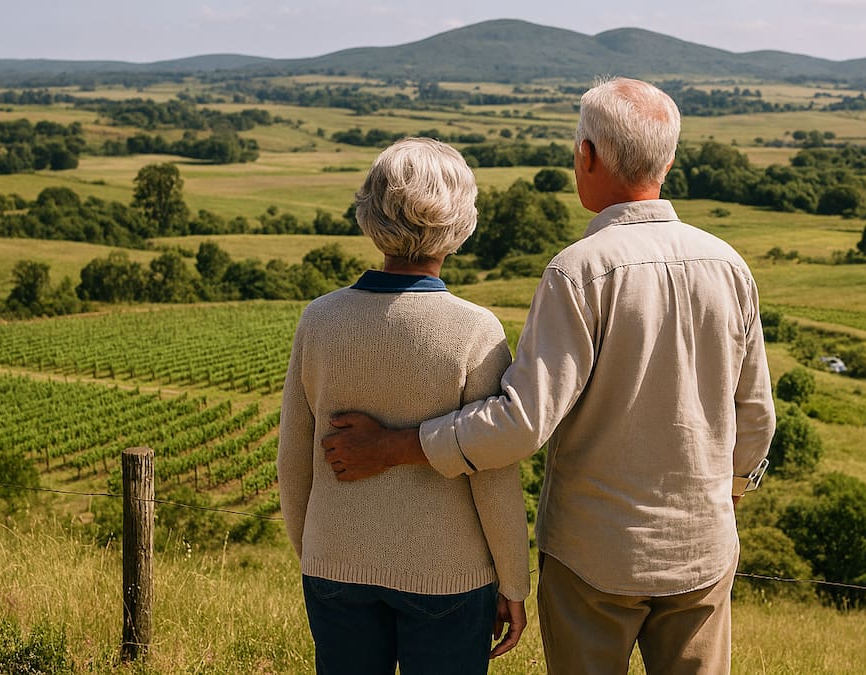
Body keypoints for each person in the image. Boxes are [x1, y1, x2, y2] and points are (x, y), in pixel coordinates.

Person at [322, 78, 776, 674]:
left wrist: (392, 446)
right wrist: (728, 495)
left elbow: (520, 425)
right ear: (668, 161)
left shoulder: (579, 272)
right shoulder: (729, 266)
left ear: (586, 155)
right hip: (702, 552)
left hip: (593, 553)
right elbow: (757, 417)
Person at [277, 137, 530, 675]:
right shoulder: (475, 330)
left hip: (334, 562)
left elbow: (294, 455)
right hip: (450, 573)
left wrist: (316, 551)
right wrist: (513, 579)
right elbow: (491, 470)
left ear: (370, 212)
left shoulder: (318, 321)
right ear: (460, 221)